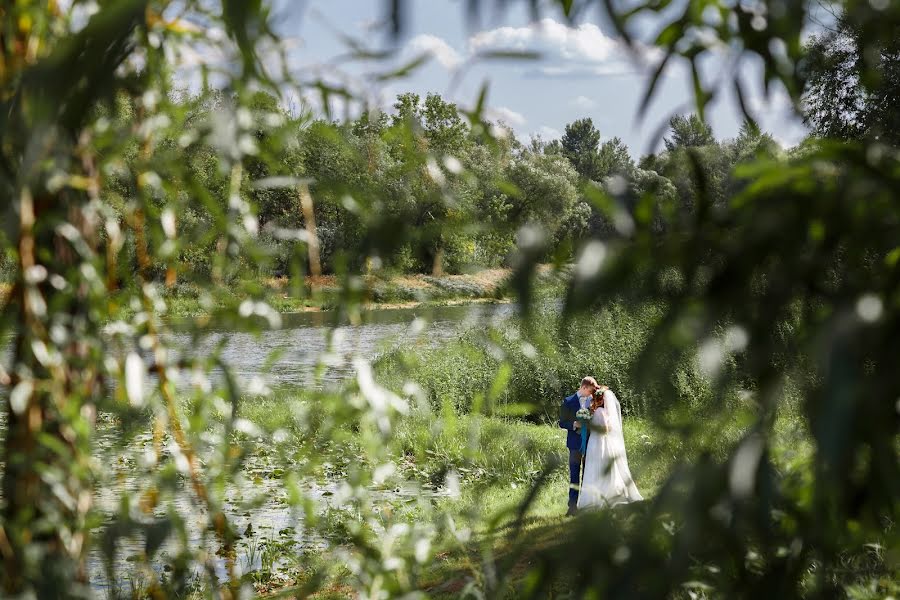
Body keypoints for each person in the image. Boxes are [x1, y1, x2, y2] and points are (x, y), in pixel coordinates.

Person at [576, 385, 643, 510]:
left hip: (599, 442)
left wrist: (589, 425)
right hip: (596, 442)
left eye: (595, 398)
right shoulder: (597, 411)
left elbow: (606, 429)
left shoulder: (600, 412)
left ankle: (599, 497)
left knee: (597, 467)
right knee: (596, 467)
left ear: (599, 399)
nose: (592, 400)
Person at [559, 376, 599, 516]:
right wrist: (574, 424)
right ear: (583, 387)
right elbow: (562, 422)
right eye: (590, 390)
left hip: (590, 442)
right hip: (575, 444)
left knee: (588, 473)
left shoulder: (594, 401)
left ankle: (586, 504)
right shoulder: (568, 401)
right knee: (574, 474)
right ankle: (572, 507)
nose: (591, 393)